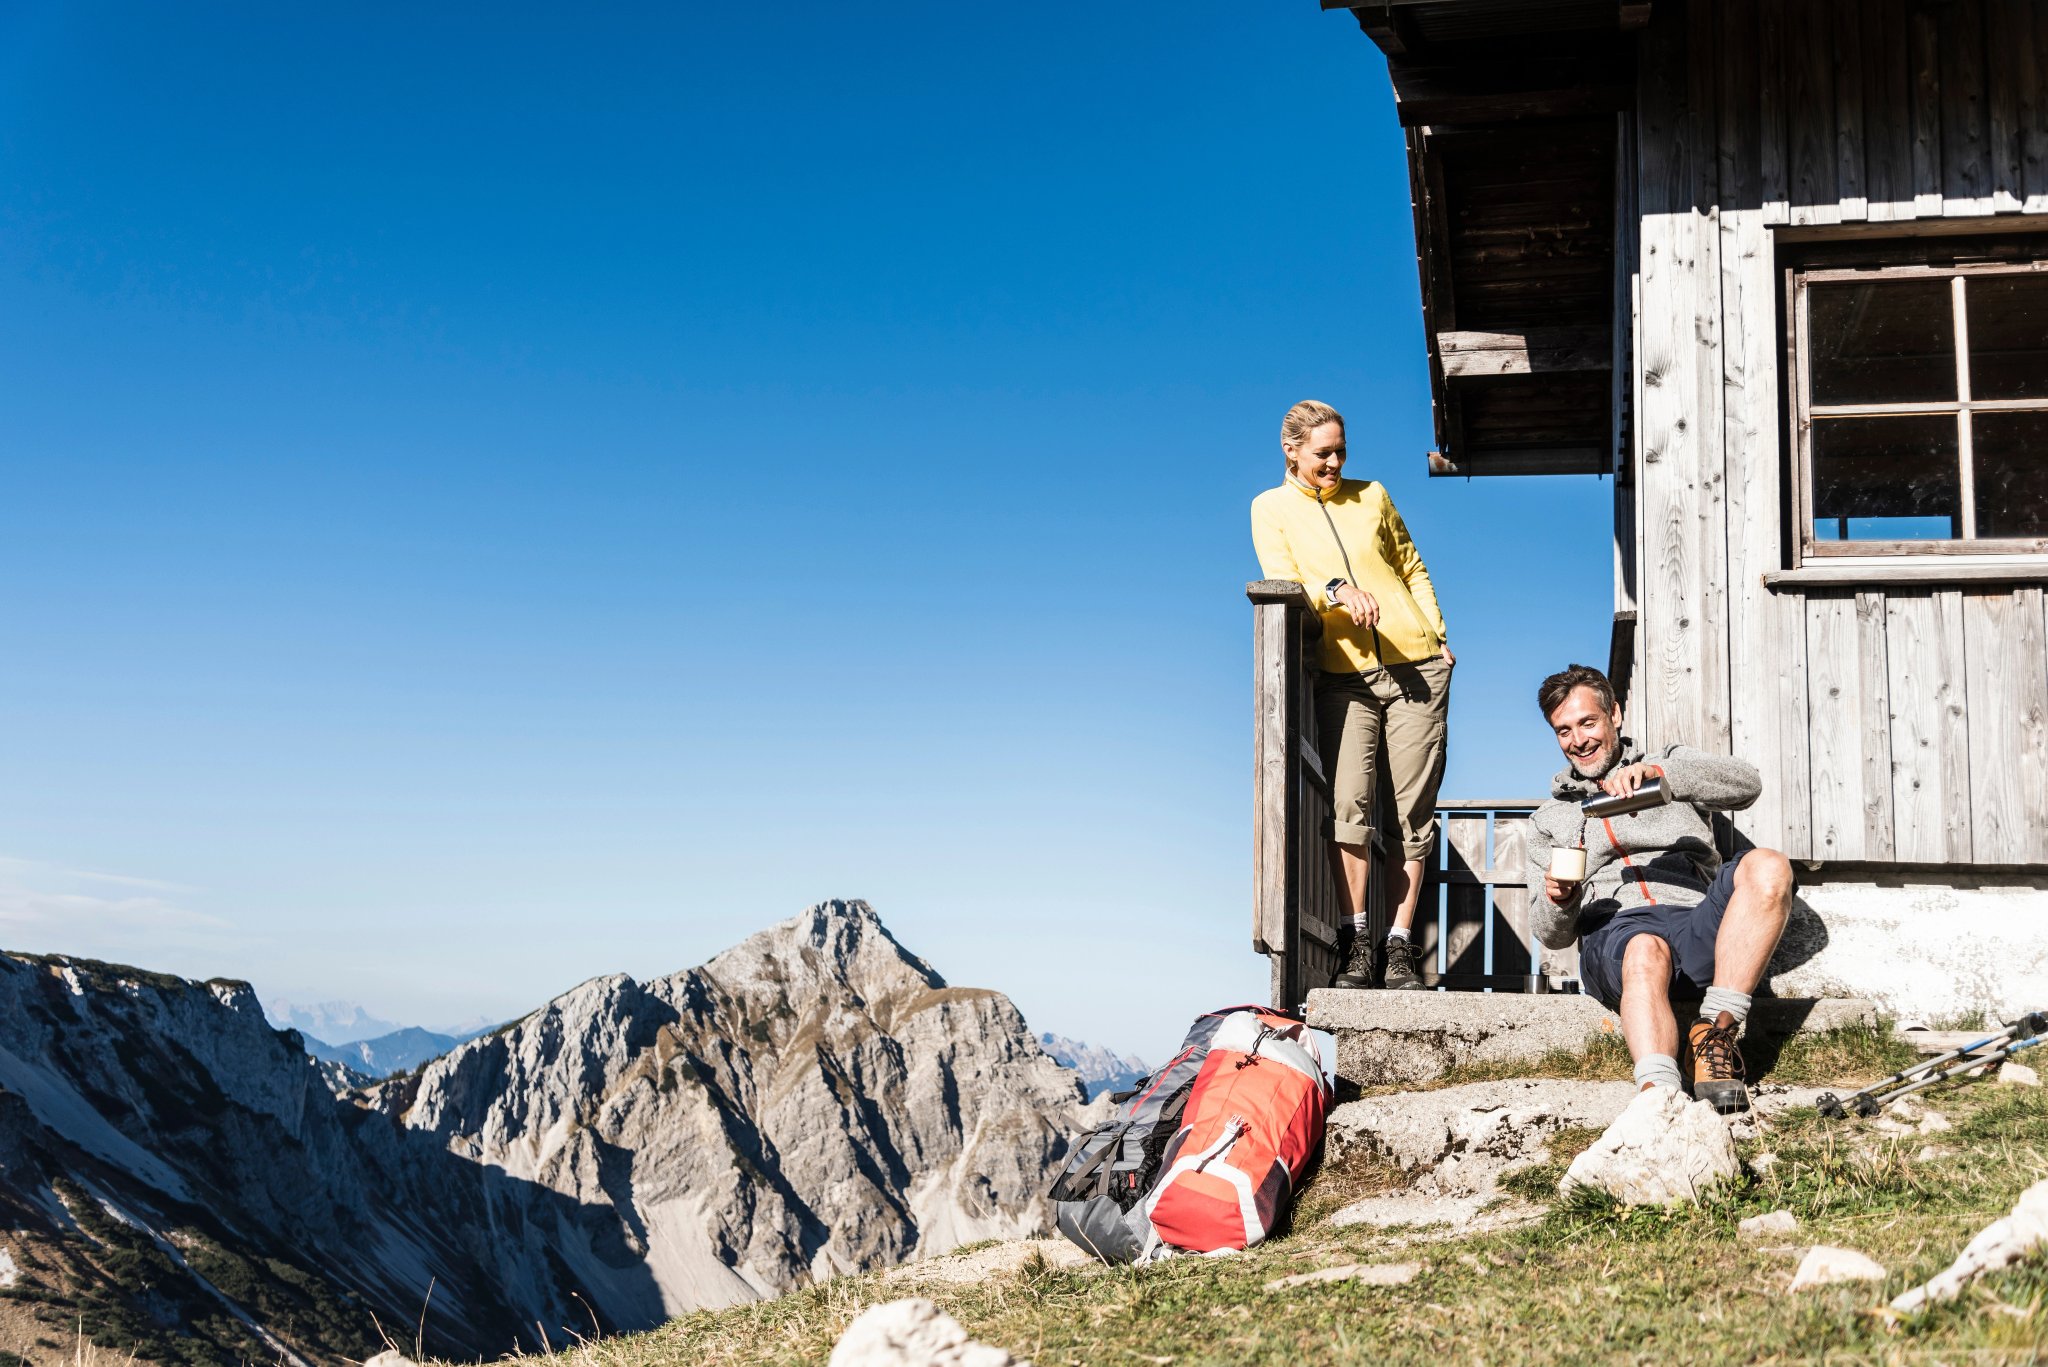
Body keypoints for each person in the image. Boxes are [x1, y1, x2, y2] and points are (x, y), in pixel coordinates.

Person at [1524, 664, 1794, 1114]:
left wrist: (1662, 775)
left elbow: (1749, 784)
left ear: (1615, 713)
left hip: (1695, 919)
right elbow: (1550, 934)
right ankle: (1659, 1100)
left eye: (1588, 722)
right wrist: (1560, 900)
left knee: (1769, 866)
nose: (1578, 740)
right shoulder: (1549, 819)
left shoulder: (1668, 763)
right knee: (1644, 948)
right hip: (1618, 934)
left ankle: (1713, 1035)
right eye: (1563, 731)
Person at [1249, 400, 1454, 992]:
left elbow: (1410, 565)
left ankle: (1397, 948)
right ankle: (1356, 940)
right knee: (1349, 807)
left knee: (1410, 814)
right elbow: (1283, 575)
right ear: (1292, 450)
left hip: (1417, 665)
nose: (1336, 462)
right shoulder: (1271, 508)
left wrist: (1437, 634)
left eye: (1341, 450)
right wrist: (1338, 590)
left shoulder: (1373, 495)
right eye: (1323, 454)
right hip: (1343, 674)